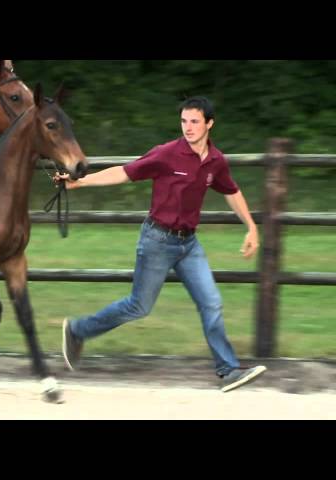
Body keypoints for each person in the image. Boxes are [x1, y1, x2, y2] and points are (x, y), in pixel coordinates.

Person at [57, 96, 266, 393]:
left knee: (211, 303)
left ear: (209, 123)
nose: (188, 127)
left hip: (188, 245)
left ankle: (228, 370)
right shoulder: (167, 154)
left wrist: (251, 227)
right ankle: (78, 330)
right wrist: (81, 182)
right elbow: (125, 172)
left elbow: (231, 191)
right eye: (184, 121)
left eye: (195, 121)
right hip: (157, 241)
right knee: (139, 306)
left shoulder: (216, 161)